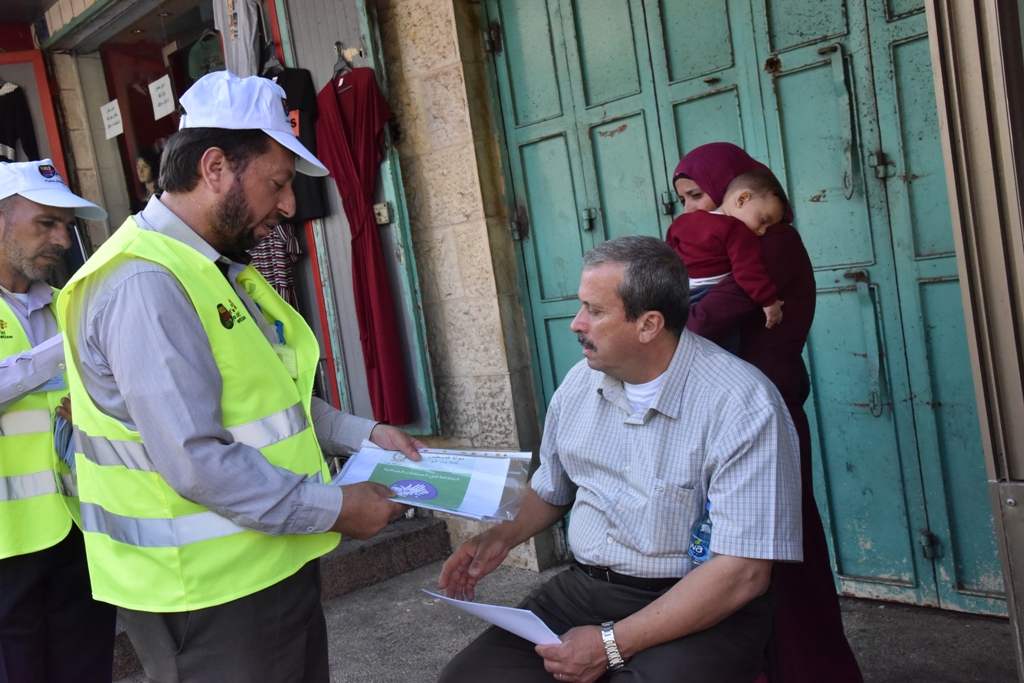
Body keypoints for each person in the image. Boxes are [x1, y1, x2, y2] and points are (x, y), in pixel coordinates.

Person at [57, 71, 423, 683]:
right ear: (216, 167)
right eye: (278, 183)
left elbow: (270, 400)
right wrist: (335, 508)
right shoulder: (147, 285)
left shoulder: (211, 266)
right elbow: (197, 459)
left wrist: (363, 435)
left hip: (263, 566)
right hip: (205, 597)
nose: (287, 205)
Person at [437, 235, 802, 683]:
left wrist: (610, 644)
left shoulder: (742, 405)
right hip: (585, 591)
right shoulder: (579, 382)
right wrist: (501, 536)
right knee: (469, 678)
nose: (576, 323)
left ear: (648, 325)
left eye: (595, 310)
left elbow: (742, 573)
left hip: (695, 603)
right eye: (580, 306)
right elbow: (554, 486)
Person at [674, 142, 864, 683]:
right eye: (684, 201)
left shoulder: (773, 242)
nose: (691, 211)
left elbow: (716, 311)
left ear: (740, 189)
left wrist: (657, 334)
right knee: (740, 554)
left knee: (781, 558)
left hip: (768, 410)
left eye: (697, 196)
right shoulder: (730, 241)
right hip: (740, 409)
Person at [0, 159, 115, 683]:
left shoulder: (62, 304)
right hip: (7, 546)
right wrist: (64, 347)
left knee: (85, 666)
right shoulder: (69, 321)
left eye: (66, 226)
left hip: (75, 524)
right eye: (45, 223)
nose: (62, 239)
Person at [666, 170, 788, 331]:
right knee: (727, 346)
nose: (763, 231)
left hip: (679, 293)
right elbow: (747, 271)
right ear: (742, 199)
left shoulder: (683, 221)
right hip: (707, 293)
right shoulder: (738, 230)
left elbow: (667, 253)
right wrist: (769, 300)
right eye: (763, 220)